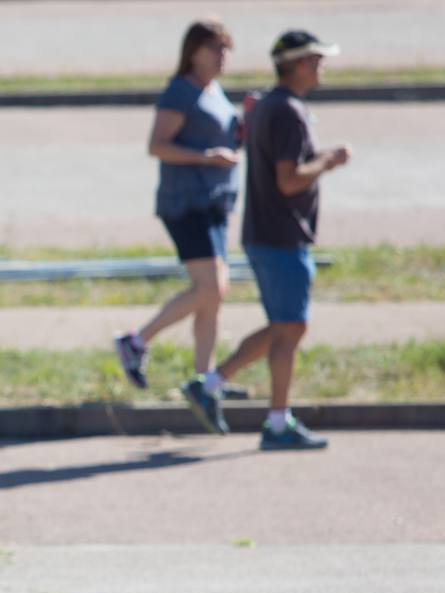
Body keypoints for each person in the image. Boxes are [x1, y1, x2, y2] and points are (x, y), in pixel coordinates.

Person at [180, 29, 352, 449]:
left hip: (270, 234)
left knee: (287, 327)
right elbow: (289, 180)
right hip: (281, 236)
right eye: (316, 59)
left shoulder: (272, 106)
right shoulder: (287, 111)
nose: (321, 67)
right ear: (297, 64)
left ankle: (245, 401)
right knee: (289, 327)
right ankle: (263, 414)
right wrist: (329, 160)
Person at [114, 19, 247, 400]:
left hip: (216, 201)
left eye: (226, 49)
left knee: (214, 294)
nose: (222, 57)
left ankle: (205, 380)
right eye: (214, 49)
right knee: (211, 287)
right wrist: (207, 157)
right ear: (194, 52)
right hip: (186, 203)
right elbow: (158, 145)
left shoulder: (214, 91)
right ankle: (136, 341)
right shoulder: (180, 92)